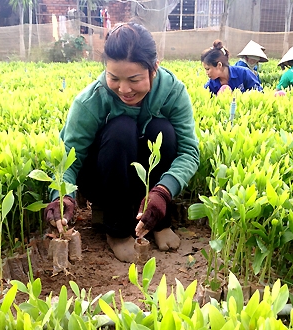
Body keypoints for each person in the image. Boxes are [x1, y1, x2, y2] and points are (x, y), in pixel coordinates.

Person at [43, 22, 200, 263]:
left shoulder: (173, 92)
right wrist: (62, 195)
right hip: (105, 175)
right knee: (121, 129)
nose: (123, 89)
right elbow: (68, 159)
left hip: (146, 181)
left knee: (163, 131)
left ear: (154, 68)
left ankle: (159, 221)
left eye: (134, 79)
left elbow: (189, 152)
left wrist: (163, 191)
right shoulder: (90, 100)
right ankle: (116, 231)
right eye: (113, 77)